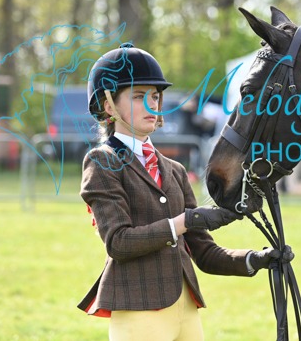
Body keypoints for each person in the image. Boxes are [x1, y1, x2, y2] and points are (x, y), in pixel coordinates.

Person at [78, 43, 288, 341]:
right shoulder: (102, 162)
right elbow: (119, 242)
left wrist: (255, 259)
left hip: (186, 310)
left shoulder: (174, 169)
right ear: (109, 106)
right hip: (139, 311)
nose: (151, 104)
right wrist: (186, 221)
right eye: (138, 96)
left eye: (155, 96)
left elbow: (204, 252)